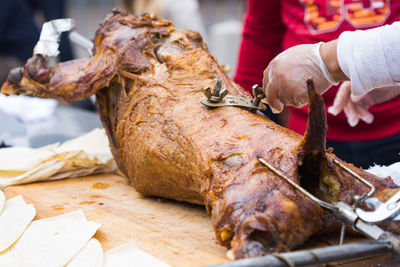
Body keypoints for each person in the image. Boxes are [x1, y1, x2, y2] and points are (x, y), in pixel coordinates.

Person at [234, 0, 400, 168]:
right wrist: (238, 111)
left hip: (395, 123)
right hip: (309, 132)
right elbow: (261, 32)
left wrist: (324, 62)